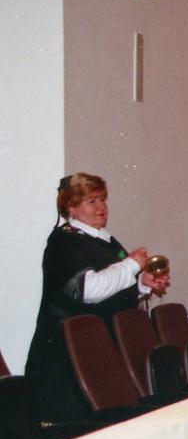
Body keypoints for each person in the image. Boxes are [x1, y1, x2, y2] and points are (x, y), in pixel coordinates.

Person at [26, 173, 170, 422]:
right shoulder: (63, 241)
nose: (101, 207)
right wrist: (130, 265)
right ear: (71, 207)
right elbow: (88, 291)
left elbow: (112, 290)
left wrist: (141, 284)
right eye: (92, 201)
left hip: (94, 351)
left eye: (103, 199)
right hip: (66, 359)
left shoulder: (106, 241)